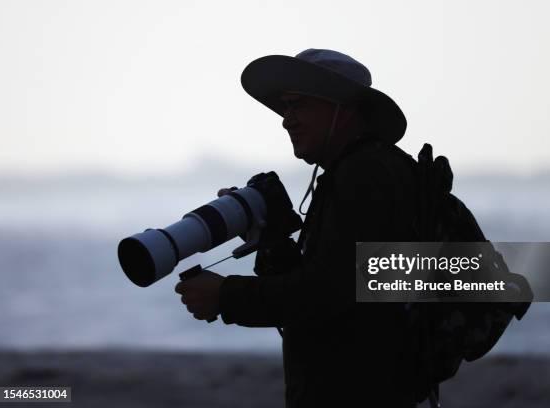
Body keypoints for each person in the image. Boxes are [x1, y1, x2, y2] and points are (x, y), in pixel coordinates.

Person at [175, 49, 420, 407]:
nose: (287, 121)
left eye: (300, 106)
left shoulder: (363, 175)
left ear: (345, 110)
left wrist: (225, 295)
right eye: (285, 108)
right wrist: (271, 237)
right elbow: (347, 283)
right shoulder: (360, 169)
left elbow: (330, 293)